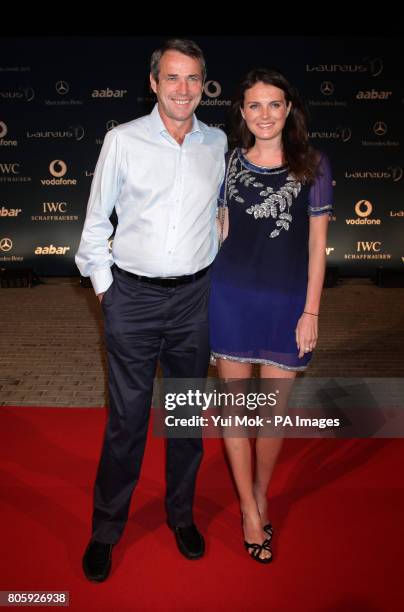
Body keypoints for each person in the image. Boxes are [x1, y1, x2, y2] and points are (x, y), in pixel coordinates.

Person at [75, 38, 227, 582]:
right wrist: (106, 291)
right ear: (154, 83)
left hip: (194, 300)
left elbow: (218, 212)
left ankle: (180, 515)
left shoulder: (217, 142)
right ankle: (106, 529)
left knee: (186, 419)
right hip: (132, 299)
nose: (182, 89)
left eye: (192, 79)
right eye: (172, 78)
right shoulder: (124, 141)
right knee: (126, 423)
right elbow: (95, 225)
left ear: (202, 83)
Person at [209, 68, 333, 563]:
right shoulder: (227, 163)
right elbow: (219, 232)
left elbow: (318, 247)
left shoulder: (313, 166)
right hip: (230, 300)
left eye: (274, 104)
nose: (264, 114)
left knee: (272, 416)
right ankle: (247, 508)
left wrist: (311, 311)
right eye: (254, 105)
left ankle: (261, 492)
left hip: (286, 306)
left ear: (289, 109)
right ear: (242, 112)